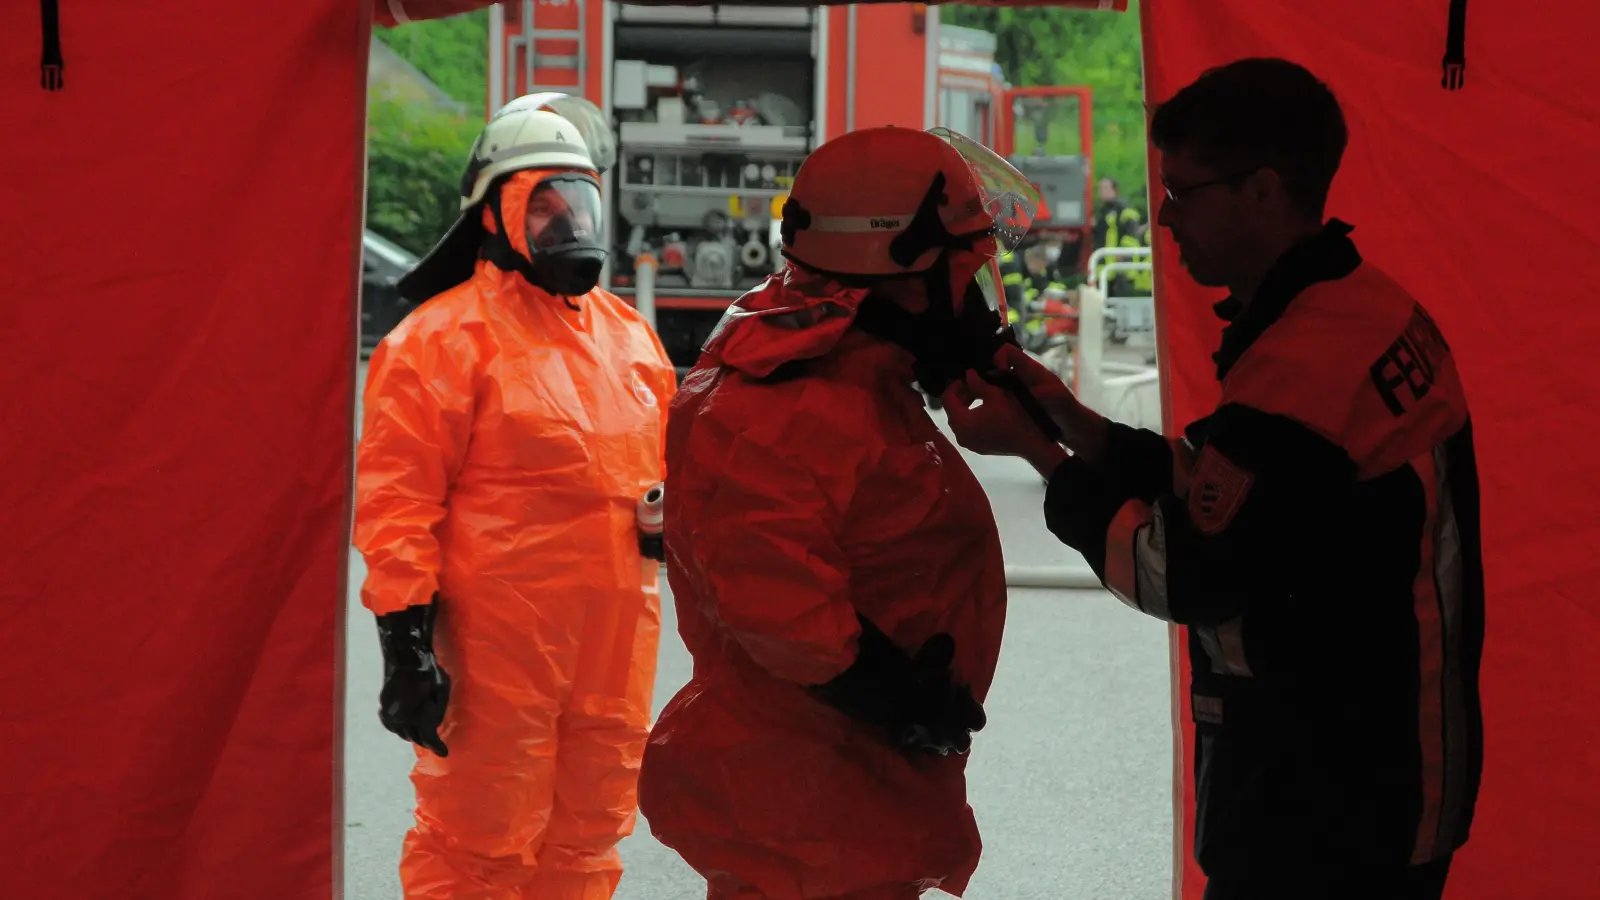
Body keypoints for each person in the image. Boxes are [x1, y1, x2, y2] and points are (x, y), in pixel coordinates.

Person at [942, 58, 1484, 900]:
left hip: (1330, 806)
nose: (1163, 216)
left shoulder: (1302, 373)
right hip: (1382, 769)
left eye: (1183, 192)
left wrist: (1043, 459)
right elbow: (1234, 488)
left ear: (1262, 192)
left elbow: (1182, 572)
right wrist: (1069, 419)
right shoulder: (1360, 307)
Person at [637, 125, 1043, 900]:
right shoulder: (778, 406)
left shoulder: (855, 375)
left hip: (843, 788)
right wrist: (895, 694)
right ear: (899, 274)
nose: (976, 304)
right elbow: (783, 609)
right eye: (964, 273)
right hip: (805, 802)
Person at [352, 93, 677, 900]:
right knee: (478, 847)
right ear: (495, 213)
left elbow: (669, 475)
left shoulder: (629, 340)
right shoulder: (439, 341)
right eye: (545, 205)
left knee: (589, 839)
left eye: (579, 201)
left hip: (613, 650)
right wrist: (406, 644)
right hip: (496, 654)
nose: (569, 223)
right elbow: (397, 504)